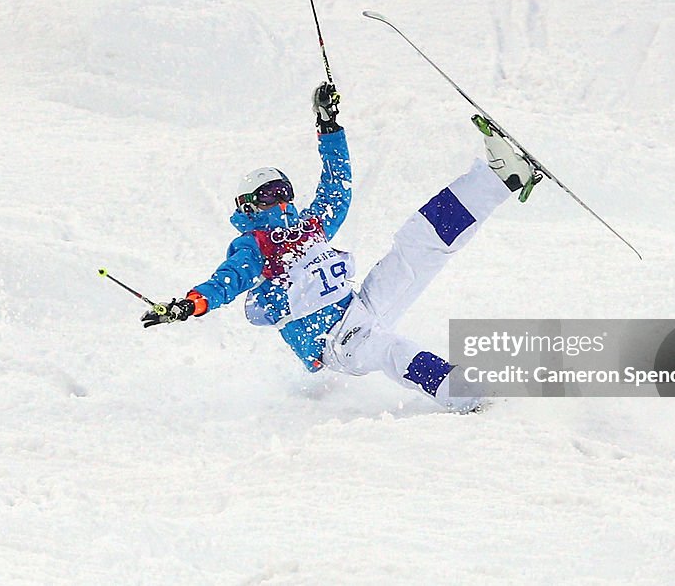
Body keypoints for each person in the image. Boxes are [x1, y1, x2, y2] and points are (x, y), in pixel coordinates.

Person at [142, 83, 535, 411]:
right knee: (389, 350)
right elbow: (225, 282)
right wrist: (189, 304)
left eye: (284, 190)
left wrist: (328, 126)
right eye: (268, 195)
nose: (281, 201)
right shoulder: (255, 247)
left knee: (416, 242)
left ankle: (500, 180)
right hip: (335, 343)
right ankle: (463, 395)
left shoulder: (306, 227)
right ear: (249, 207)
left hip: (362, 307)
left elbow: (336, 187)